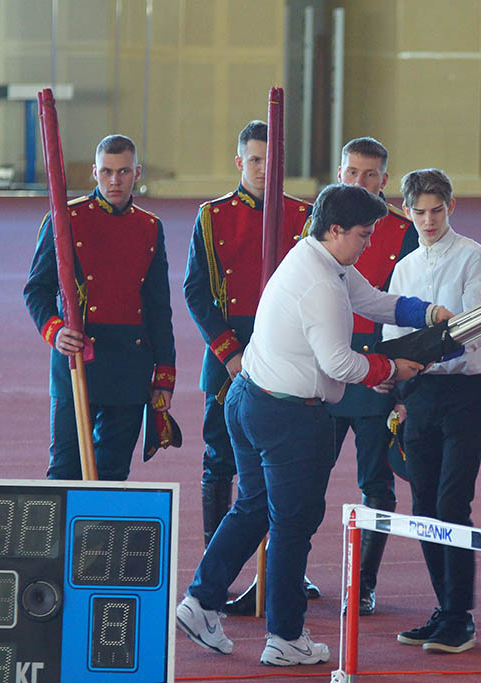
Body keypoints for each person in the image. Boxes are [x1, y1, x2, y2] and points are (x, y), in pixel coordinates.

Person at [175, 183, 450, 666]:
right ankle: (284, 636)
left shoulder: (317, 258)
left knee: (254, 507)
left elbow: (373, 299)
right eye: (364, 235)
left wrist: (425, 311)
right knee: (293, 523)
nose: (369, 244)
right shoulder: (322, 283)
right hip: (285, 414)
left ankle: (200, 601)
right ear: (337, 229)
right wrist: (392, 370)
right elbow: (340, 364)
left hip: (248, 398)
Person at [383, 168, 481, 654]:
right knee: (424, 506)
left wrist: (420, 348)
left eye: (436, 210)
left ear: (451, 207)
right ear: (406, 212)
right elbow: (392, 336)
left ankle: (462, 617)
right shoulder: (405, 266)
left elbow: (471, 333)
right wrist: (399, 389)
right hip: (420, 395)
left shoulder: (476, 258)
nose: (428, 220)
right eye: (419, 212)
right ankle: (445, 609)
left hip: (466, 392)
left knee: (454, 504)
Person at [183, 120, 312, 549]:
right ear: (240, 162)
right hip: (229, 353)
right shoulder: (212, 216)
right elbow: (196, 292)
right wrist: (229, 353)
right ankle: (214, 560)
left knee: (283, 462)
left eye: (270, 160)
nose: (262, 169)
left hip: (286, 350)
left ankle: (282, 561)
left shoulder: (303, 217)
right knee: (219, 458)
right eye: (254, 160)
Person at [23, 134, 175, 481]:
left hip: (130, 366)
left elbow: (158, 307)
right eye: (107, 172)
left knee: (114, 474)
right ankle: (62, 539)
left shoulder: (150, 228)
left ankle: (100, 539)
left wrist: (164, 373)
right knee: (64, 472)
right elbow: (37, 289)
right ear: (94, 172)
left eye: (123, 172)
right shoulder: (65, 220)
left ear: (137, 172)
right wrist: (55, 331)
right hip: (78, 362)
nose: (114, 181)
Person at [329, 137, 418, 615]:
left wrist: (399, 385)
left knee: (377, 486)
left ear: (385, 180)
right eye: (351, 172)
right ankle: (286, 575)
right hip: (325, 372)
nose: (359, 182)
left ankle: (363, 584)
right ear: (339, 172)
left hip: (377, 375)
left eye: (369, 175)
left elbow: (402, 314)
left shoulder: (403, 232)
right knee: (299, 481)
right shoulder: (319, 220)